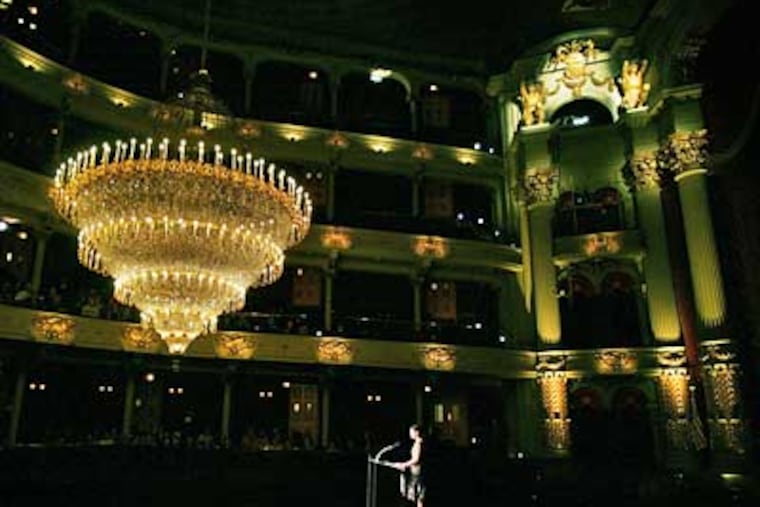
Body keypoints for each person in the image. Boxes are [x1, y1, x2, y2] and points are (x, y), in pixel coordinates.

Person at [392, 424, 425, 507]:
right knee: (417, 496)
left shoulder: (419, 444)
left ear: (417, 432)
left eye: (411, 432)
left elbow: (416, 459)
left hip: (417, 473)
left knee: (417, 497)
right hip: (415, 472)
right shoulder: (417, 443)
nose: (410, 434)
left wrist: (404, 464)